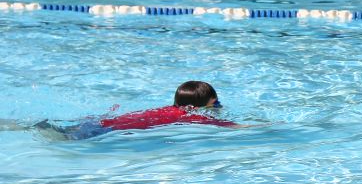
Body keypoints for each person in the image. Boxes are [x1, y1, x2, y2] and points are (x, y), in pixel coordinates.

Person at [34, 80, 236, 139]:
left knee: (71, 128)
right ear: (196, 106)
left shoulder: (168, 109)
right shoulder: (192, 116)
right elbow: (231, 126)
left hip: (104, 122)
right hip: (110, 131)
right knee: (69, 138)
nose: (217, 107)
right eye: (215, 103)